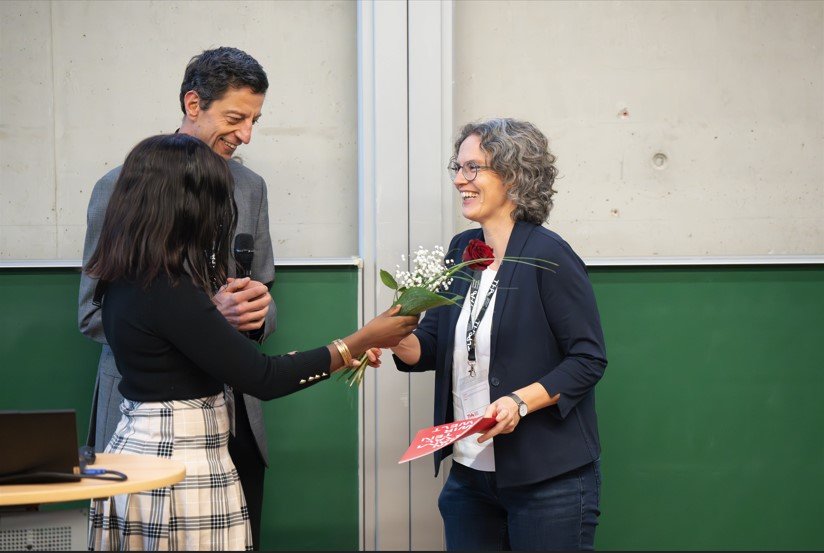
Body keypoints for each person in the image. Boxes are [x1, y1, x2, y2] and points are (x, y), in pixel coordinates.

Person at [85, 133, 417, 551]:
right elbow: (264, 378)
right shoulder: (169, 290)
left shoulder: (129, 280)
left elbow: (230, 362)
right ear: (184, 206)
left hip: (148, 451)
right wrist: (363, 338)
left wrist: (335, 357)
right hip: (178, 460)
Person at [78, 46, 275, 549]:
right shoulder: (121, 186)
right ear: (193, 104)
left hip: (234, 420)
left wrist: (257, 312)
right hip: (143, 423)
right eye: (235, 117)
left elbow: (266, 300)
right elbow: (92, 314)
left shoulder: (250, 187)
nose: (246, 134)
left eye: (254, 120)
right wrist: (204, 319)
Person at [391, 118, 608, 550]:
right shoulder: (461, 250)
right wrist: (393, 336)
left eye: (473, 168)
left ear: (512, 175)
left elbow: (588, 359)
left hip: (549, 482)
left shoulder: (550, 256)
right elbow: (432, 346)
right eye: (457, 167)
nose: (459, 180)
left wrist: (518, 402)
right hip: (470, 478)